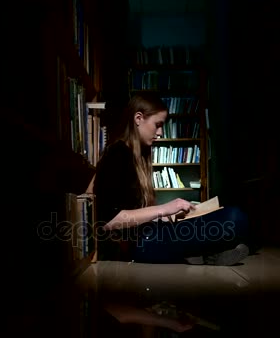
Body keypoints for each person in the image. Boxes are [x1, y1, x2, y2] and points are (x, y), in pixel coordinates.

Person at [93, 92, 253, 265]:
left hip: (151, 233)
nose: (161, 132)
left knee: (233, 217)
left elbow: (136, 212)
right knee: (235, 218)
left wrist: (169, 216)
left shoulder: (138, 156)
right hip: (141, 244)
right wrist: (165, 209)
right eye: (158, 125)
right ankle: (205, 252)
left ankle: (205, 254)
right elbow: (109, 222)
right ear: (138, 118)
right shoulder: (117, 155)